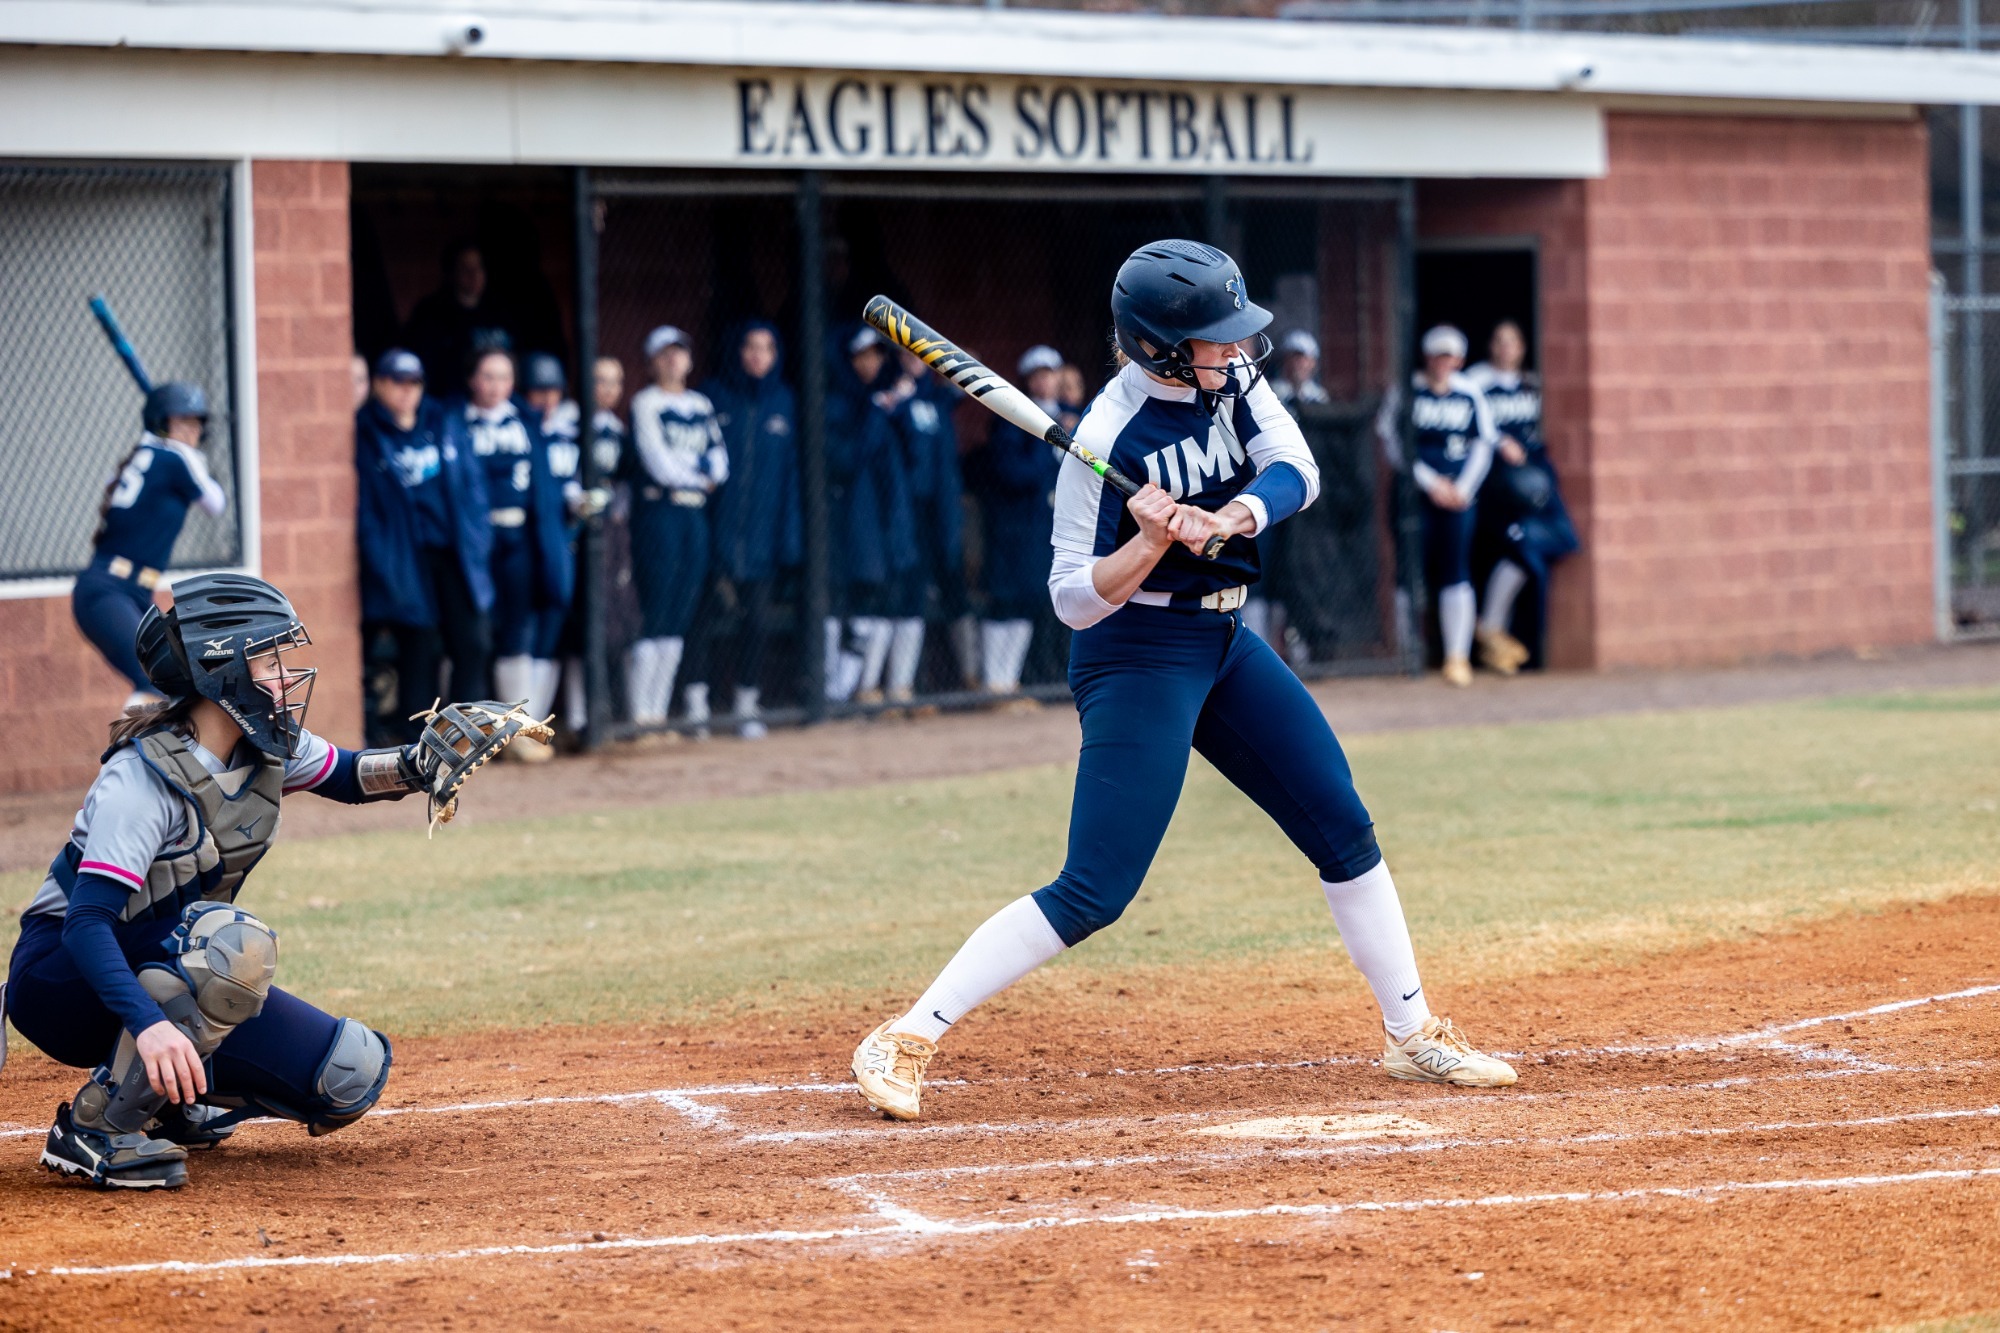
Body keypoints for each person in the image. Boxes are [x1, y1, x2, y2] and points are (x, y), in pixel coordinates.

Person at [850, 241, 1515, 1122]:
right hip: (1135, 652)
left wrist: (1228, 513)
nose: (1236, 351)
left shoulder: (1234, 385)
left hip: (1223, 639)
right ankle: (906, 1033)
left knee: (1341, 822)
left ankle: (1412, 1032)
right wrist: (1149, 542)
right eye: (1214, 339)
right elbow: (1072, 601)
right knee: (1096, 887)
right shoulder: (1100, 438)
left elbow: (1297, 469)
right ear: (1162, 347)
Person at [3, 574, 456, 1189]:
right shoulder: (141, 781)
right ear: (223, 673)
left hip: (167, 965)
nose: (284, 676)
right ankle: (95, 1130)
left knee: (350, 1073)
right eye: (267, 659)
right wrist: (152, 1026)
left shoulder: (264, 744)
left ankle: (169, 1102)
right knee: (231, 946)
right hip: (61, 978)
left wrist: (424, 764)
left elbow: (349, 775)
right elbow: (86, 926)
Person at [354, 348, 494, 735]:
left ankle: (469, 733)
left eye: (414, 382)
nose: (406, 391)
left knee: (473, 641)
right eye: (397, 382)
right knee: (419, 646)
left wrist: (479, 541)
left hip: (454, 552)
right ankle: (419, 742)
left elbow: (473, 488)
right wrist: (383, 561)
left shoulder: (442, 421)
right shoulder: (366, 432)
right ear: (380, 384)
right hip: (405, 556)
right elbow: (366, 510)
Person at [73, 383, 227, 710]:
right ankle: (123, 761)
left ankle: (162, 759)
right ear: (160, 423)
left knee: (179, 685)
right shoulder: (174, 460)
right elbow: (216, 503)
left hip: (133, 592)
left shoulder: (147, 455)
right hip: (108, 591)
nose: (192, 432)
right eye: (182, 422)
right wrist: (190, 456)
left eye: (196, 424)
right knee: (155, 682)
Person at [462, 348, 572, 756]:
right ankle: (463, 736)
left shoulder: (525, 420)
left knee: (519, 629)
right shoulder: (457, 422)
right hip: (476, 539)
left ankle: (516, 733)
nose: (495, 386)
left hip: (519, 537)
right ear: (473, 379)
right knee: (473, 633)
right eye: (487, 376)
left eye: (503, 377)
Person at [1379, 325, 1497, 688]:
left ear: (1459, 360)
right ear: (1426, 357)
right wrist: (1429, 483)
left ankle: (1456, 656)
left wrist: (1462, 487)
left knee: (1455, 570)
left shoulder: (1469, 393)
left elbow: (1484, 443)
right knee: (1408, 572)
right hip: (1415, 496)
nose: (1443, 363)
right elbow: (1391, 438)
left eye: (1450, 356)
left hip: (1458, 499)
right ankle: (1407, 653)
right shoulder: (1407, 391)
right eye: (1437, 355)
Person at [623, 326, 727, 729]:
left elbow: (721, 463)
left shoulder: (701, 404)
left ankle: (658, 714)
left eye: (678, 352)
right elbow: (658, 463)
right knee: (657, 608)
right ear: (652, 362)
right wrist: (698, 473)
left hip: (693, 515)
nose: (672, 360)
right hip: (660, 515)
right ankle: (640, 715)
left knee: (681, 611)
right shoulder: (645, 403)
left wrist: (697, 474)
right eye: (663, 354)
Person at [700, 322, 798, 738]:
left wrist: (788, 540)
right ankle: (695, 707)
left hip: (762, 538)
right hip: (711, 534)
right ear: (737, 351)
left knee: (754, 622)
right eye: (750, 347)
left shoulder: (785, 401)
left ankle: (745, 705)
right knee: (700, 620)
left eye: (767, 348)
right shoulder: (713, 396)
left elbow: (792, 476)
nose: (758, 355)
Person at [1465, 320, 1577, 674]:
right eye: (1499, 341)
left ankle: (1493, 629)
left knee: (1552, 542)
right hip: (1499, 487)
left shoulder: (1532, 383)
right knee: (1517, 547)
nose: (1505, 348)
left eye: (1512, 342)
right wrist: (1500, 442)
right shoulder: (1477, 381)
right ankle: (1492, 631)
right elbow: (1475, 428)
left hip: (1534, 485)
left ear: (1522, 347)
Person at [824, 327, 916, 707]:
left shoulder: (895, 403)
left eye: (877, 355)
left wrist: (901, 405)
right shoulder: (838, 404)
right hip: (846, 522)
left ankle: (857, 687)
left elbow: (916, 457)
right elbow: (847, 459)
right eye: (862, 356)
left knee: (879, 601)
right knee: (842, 603)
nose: (870, 363)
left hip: (891, 520)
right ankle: (831, 689)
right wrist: (879, 408)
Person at [975, 346, 1065, 700]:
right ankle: (992, 683)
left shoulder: (1071, 417)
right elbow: (1011, 473)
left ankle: (1007, 684)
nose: (1045, 380)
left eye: (1050, 373)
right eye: (1037, 375)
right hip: (1013, 528)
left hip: (1045, 528)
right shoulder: (1012, 418)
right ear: (1027, 381)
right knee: (1006, 603)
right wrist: (1047, 452)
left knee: (1028, 602)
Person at [880, 347, 968, 703]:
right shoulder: (893, 395)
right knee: (905, 592)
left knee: (944, 589)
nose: (913, 361)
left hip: (940, 512)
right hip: (903, 511)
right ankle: (895, 687)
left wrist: (943, 363)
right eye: (906, 355)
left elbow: (965, 377)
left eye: (919, 355)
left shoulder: (937, 397)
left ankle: (971, 679)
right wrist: (898, 395)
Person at [521, 353, 590, 737]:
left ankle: (535, 724)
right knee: (525, 630)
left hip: (564, 541)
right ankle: (515, 725)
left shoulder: (571, 432)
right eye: (537, 391)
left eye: (552, 391)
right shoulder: (520, 430)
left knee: (553, 627)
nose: (546, 399)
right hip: (525, 543)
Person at [401, 241, 516, 399]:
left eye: (479, 267)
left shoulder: (500, 310)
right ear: (451, 273)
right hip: (447, 402)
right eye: (465, 269)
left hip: (494, 401)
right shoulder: (432, 312)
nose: (474, 274)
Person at [1272, 330, 1331, 408]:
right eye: (1298, 358)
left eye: (1309, 360)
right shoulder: (1271, 391)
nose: (1304, 364)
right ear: (1285, 360)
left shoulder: (1319, 396)